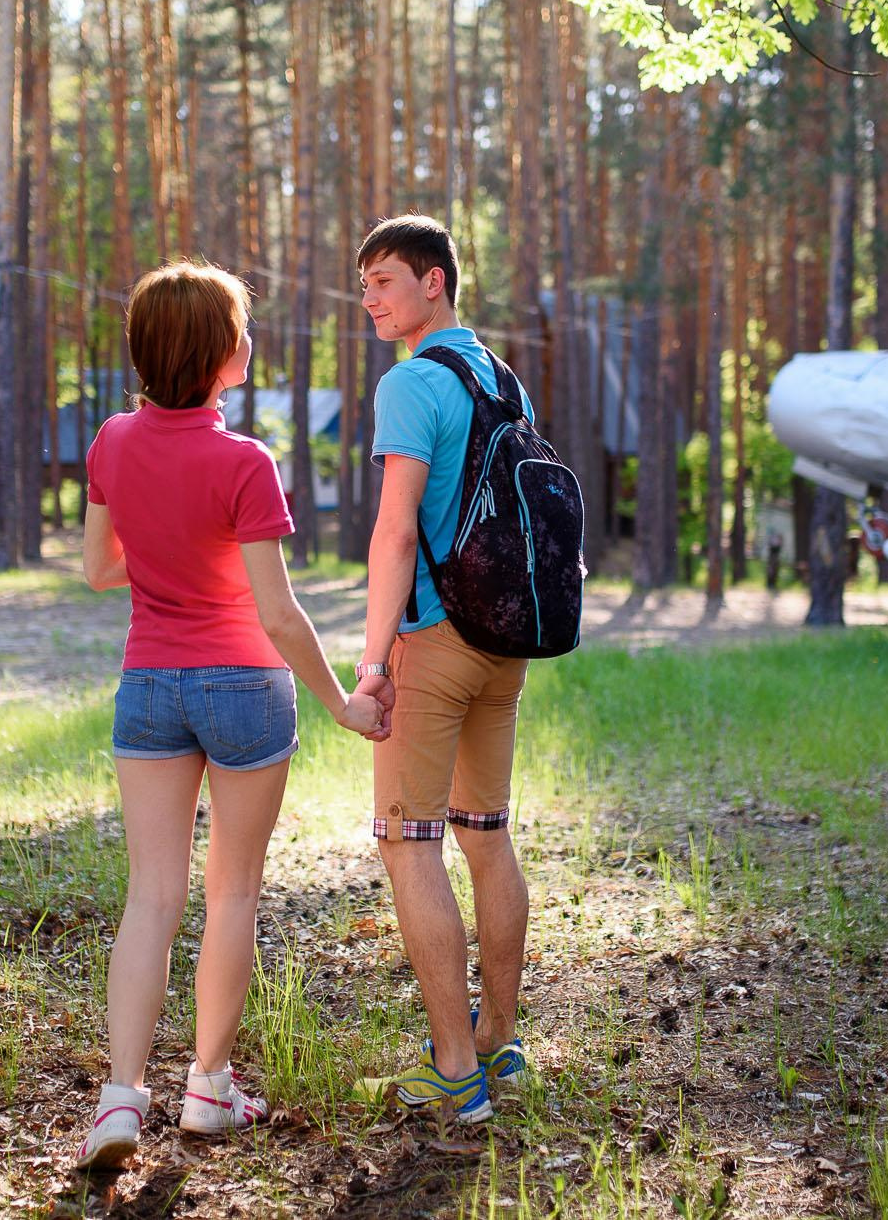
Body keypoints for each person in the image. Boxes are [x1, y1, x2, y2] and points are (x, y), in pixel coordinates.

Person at [73, 260, 388, 1170]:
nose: (251, 341)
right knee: (232, 893)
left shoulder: (111, 442)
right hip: (246, 687)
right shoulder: (245, 461)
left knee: (151, 897)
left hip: (149, 687)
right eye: (242, 329)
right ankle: (208, 1086)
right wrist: (342, 704)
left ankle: (118, 1102)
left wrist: (168, 554)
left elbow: (100, 570)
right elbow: (280, 613)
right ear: (218, 354)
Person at [351, 216, 536, 1125]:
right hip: (507, 643)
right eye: (364, 287)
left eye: (386, 280)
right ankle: (501, 1045)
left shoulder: (412, 382)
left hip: (434, 639)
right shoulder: (504, 379)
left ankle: (456, 1071)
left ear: (436, 281)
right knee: (486, 835)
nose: (373, 300)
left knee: (409, 843)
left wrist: (376, 656)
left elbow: (393, 531)